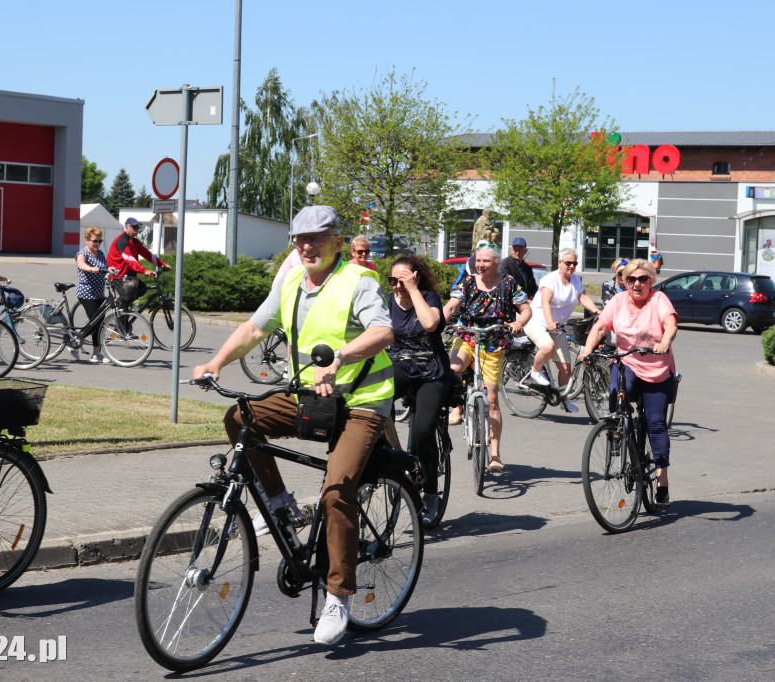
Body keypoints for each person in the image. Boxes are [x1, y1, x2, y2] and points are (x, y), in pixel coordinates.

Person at [192, 205, 394, 647]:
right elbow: (253, 327)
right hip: (310, 397)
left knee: (337, 488)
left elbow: (382, 332)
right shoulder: (290, 283)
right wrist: (215, 363)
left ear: (338, 242)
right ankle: (281, 506)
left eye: (317, 238)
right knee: (242, 417)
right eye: (300, 239)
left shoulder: (358, 281)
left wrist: (340, 358)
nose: (307, 246)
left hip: (361, 402)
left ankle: (338, 595)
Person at [579, 258, 678, 507]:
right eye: (631, 279)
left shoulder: (658, 299)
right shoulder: (618, 300)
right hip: (628, 362)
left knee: (656, 424)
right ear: (623, 280)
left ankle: (662, 482)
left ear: (651, 281)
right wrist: (587, 350)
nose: (636, 283)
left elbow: (670, 323)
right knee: (618, 392)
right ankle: (618, 430)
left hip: (656, 367)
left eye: (642, 279)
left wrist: (665, 341)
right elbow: (601, 327)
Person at [442, 243, 531, 472]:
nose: (481, 265)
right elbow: (452, 306)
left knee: (491, 399)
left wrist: (519, 322)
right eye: (478, 261)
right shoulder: (468, 282)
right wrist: (435, 322)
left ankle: (495, 454)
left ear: (497, 263)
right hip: (468, 337)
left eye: (486, 261)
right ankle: (458, 407)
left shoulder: (509, 283)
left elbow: (526, 308)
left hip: (494, 343)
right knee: (453, 370)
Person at [386, 255, 451, 525]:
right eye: (393, 281)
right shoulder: (387, 302)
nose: (397, 286)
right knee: (371, 399)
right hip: (400, 365)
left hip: (431, 370)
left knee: (423, 430)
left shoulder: (429, 298)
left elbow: (429, 324)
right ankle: (391, 457)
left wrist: (414, 291)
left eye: (403, 280)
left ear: (416, 277)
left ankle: (432, 495)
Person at [525, 248, 600, 412]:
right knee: (547, 347)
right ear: (560, 263)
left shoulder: (575, 280)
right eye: (568, 263)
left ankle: (564, 400)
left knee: (566, 368)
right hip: (536, 321)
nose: (571, 266)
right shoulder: (550, 279)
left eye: (574, 263)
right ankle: (535, 371)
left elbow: (583, 297)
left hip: (557, 327)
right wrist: (550, 321)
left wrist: (597, 311)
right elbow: (545, 302)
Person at [106, 217, 167, 309]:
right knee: (125, 303)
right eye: (134, 227)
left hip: (129, 276)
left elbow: (147, 254)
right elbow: (129, 259)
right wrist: (144, 271)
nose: (137, 230)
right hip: (119, 276)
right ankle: (121, 316)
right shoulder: (122, 241)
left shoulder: (135, 242)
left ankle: (121, 306)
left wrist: (162, 264)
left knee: (142, 289)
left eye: (138, 228)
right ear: (127, 227)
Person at [75, 226, 109, 364]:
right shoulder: (82, 253)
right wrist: (91, 269)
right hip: (86, 293)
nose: (97, 243)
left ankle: (96, 354)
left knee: (100, 324)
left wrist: (110, 269)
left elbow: (105, 266)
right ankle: (75, 341)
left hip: (99, 292)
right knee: (94, 322)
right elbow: (81, 265)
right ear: (87, 240)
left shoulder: (100, 253)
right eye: (95, 241)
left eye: (99, 241)